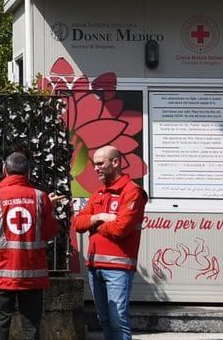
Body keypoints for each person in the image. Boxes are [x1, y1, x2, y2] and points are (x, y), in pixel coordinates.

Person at [0, 151, 64, 340]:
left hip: (2, 271)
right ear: (28, 172)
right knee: (31, 325)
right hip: (32, 271)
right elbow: (50, 231)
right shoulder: (41, 198)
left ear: (4, 170)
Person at [72, 145, 148, 340]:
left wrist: (94, 224)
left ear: (115, 162)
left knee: (118, 319)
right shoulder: (98, 194)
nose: (96, 168)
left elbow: (120, 229)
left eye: (100, 163)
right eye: (94, 164)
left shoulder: (132, 192)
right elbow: (78, 223)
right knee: (104, 319)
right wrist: (98, 217)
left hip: (118, 268)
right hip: (94, 266)